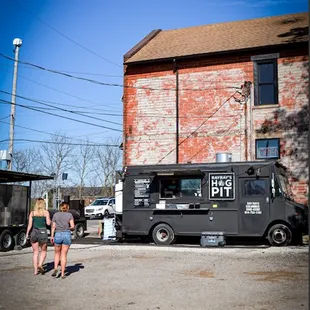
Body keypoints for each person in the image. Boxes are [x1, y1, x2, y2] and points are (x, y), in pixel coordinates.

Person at [26, 198, 51, 275]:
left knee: (35, 252)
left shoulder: (32, 213)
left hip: (34, 232)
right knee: (43, 251)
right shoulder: (46, 212)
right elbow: (48, 224)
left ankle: (35, 270)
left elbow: (30, 225)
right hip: (42, 232)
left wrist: (27, 233)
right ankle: (40, 264)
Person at [50, 202, 75, 279]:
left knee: (57, 253)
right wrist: (68, 228)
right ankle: (63, 274)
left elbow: (53, 226)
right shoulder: (70, 215)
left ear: (60, 207)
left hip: (58, 234)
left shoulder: (55, 215)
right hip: (66, 235)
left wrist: (51, 236)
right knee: (63, 255)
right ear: (67, 208)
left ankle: (55, 268)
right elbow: (73, 227)